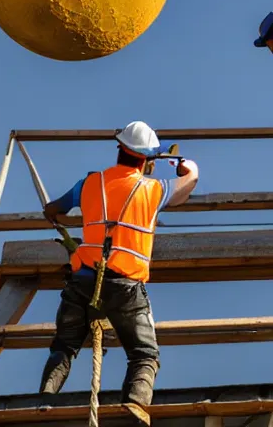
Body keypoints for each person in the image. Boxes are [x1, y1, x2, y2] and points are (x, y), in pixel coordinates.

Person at [39, 121, 199, 411]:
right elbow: (186, 185)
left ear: (119, 150)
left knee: (64, 347)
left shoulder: (90, 183)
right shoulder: (152, 190)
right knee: (144, 355)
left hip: (83, 280)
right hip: (125, 285)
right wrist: (189, 167)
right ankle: (135, 406)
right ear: (147, 161)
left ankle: (42, 403)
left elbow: (53, 210)